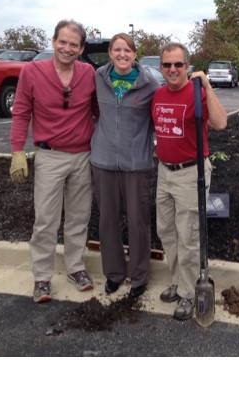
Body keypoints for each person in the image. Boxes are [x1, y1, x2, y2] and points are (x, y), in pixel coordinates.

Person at [9, 19, 98, 304]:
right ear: (53, 42)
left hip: (83, 156)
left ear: (81, 48)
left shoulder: (88, 74)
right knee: (45, 219)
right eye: (63, 42)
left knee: (78, 218)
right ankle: (42, 277)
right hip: (49, 156)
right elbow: (21, 111)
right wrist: (17, 151)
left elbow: (99, 112)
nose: (67, 48)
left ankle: (75, 268)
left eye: (74, 44)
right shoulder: (32, 72)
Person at [150, 41, 227, 320]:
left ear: (187, 67)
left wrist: (206, 85)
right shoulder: (158, 95)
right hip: (164, 172)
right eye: (167, 65)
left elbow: (220, 123)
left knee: (189, 236)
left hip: (190, 173)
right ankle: (177, 281)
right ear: (161, 67)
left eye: (178, 64)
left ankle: (187, 293)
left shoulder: (196, 93)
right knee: (167, 231)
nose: (173, 69)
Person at [90, 32, 159, 297]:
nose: (122, 55)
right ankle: (114, 274)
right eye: (117, 50)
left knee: (138, 221)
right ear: (109, 53)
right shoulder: (99, 77)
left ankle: (140, 277)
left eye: (127, 50)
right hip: (103, 161)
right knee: (107, 220)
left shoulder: (148, 83)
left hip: (137, 164)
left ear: (134, 54)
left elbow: (155, 119)